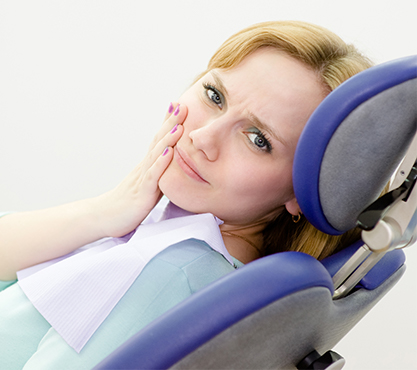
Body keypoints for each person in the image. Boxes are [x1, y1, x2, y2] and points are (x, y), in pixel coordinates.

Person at [0, 20, 373, 369]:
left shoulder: (178, 272)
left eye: (258, 140)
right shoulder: (173, 227)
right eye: (214, 95)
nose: (202, 138)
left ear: (302, 191)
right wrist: (106, 211)